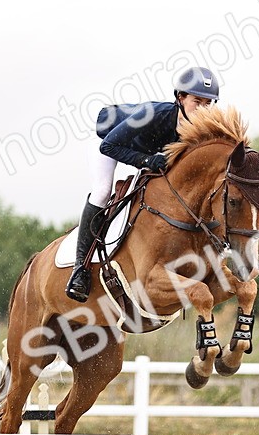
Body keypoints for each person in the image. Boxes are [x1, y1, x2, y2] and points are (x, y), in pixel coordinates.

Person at [64, 66, 221, 302]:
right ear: (180, 97)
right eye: (197, 102)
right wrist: (146, 160)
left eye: (208, 104)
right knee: (102, 191)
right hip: (108, 142)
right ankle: (80, 270)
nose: (202, 110)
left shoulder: (201, 131)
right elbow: (108, 146)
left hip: (141, 154)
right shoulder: (155, 115)